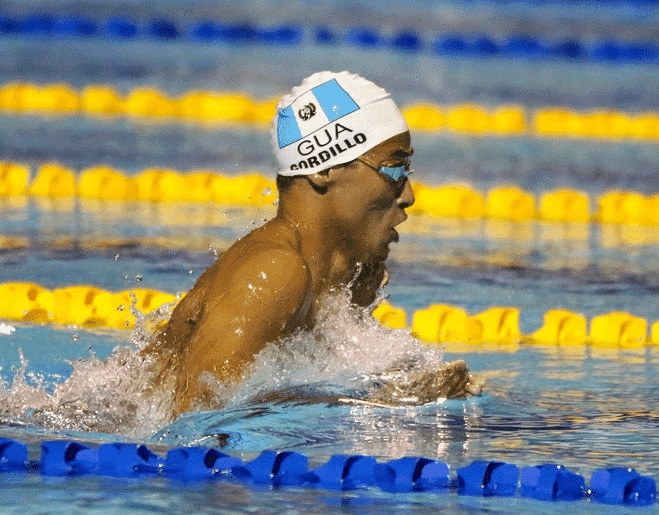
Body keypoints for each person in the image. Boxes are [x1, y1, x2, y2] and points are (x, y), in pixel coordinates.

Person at [144, 71, 478, 417]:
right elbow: (194, 425)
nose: (408, 196)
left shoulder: (349, 278)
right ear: (323, 170)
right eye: (394, 170)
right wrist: (380, 399)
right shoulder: (273, 273)